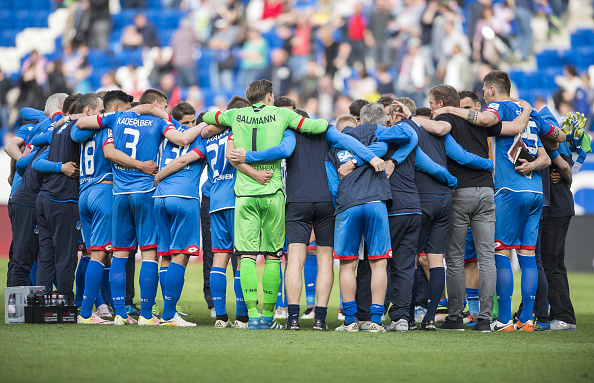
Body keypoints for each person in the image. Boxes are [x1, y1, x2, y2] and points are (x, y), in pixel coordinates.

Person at [229, 106, 384, 331]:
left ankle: (293, 319)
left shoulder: (288, 134)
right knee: (324, 261)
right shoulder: (326, 130)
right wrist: (371, 157)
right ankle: (320, 319)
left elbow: (281, 151)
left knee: (295, 260)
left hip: (297, 201)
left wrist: (249, 157)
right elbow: (349, 143)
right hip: (325, 201)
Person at [435, 70, 564, 331]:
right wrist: (537, 161)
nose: (483, 94)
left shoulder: (499, 106)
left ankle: (504, 319)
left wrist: (452, 109)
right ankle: (526, 320)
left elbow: (483, 120)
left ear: (492, 90)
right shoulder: (528, 110)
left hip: (509, 191)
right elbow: (558, 138)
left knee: (502, 252)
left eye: (484, 89)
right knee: (527, 255)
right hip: (536, 192)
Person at [201, 79, 329, 330]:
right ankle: (269, 317)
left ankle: (252, 315)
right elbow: (317, 126)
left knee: (246, 256)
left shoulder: (236, 114)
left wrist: (228, 117)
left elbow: (206, 115)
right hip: (272, 191)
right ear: (270, 96)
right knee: (273, 256)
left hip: (245, 194)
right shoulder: (282, 114)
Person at [75, 89, 203, 325]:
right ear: (156, 104)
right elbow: (182, 139)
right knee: (149, 255)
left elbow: (82, 122)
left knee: (119, 254)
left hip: (119, 193)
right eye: (164, 107)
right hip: (145, 192)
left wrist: (68, 118)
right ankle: (146, 315)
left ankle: (120, 314)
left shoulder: (115, 118)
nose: (166, 111)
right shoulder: (158, 121)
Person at [411, 85, 531, 332]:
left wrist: (414, 117)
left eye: (432, 103)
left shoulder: (444, 118)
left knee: (455, 258)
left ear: (442, 104)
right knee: (487, 257)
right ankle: (485, 319)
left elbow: (441, 134)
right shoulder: (482, 122)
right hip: (487, 192)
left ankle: (455, 317)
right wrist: (527, 108)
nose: (431, 107)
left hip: (460, 193)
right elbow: (516, 127)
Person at [34, 93, 103, 305]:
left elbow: (36, 142)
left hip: (44, 198)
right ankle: (65, 304)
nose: (103, 115)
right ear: (88, 111)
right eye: (100, 112)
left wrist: (66, 119)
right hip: (63, 200)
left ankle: (42, 304)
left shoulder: (58, 128)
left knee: (46, 255)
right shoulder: (77, 128)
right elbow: (78, 137)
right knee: (66, 256)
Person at [152, 102, 206, 327]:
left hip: (160, 198)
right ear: (177, 122)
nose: (190, 127)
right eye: (186, 123)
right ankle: (169, 314)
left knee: (165, 255)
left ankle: (167, 310)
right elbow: (184, 160)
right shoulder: (199, 137)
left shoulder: (165, 137)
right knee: (181, 255)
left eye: (193, 122)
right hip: (183, 198)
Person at [204, 96, 253, 329]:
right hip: (237, 198)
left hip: (216, 200)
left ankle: (221, 317)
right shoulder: (241, 131)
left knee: (220, 258)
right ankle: (242, 317)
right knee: (243, 257)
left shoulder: (211, 135)